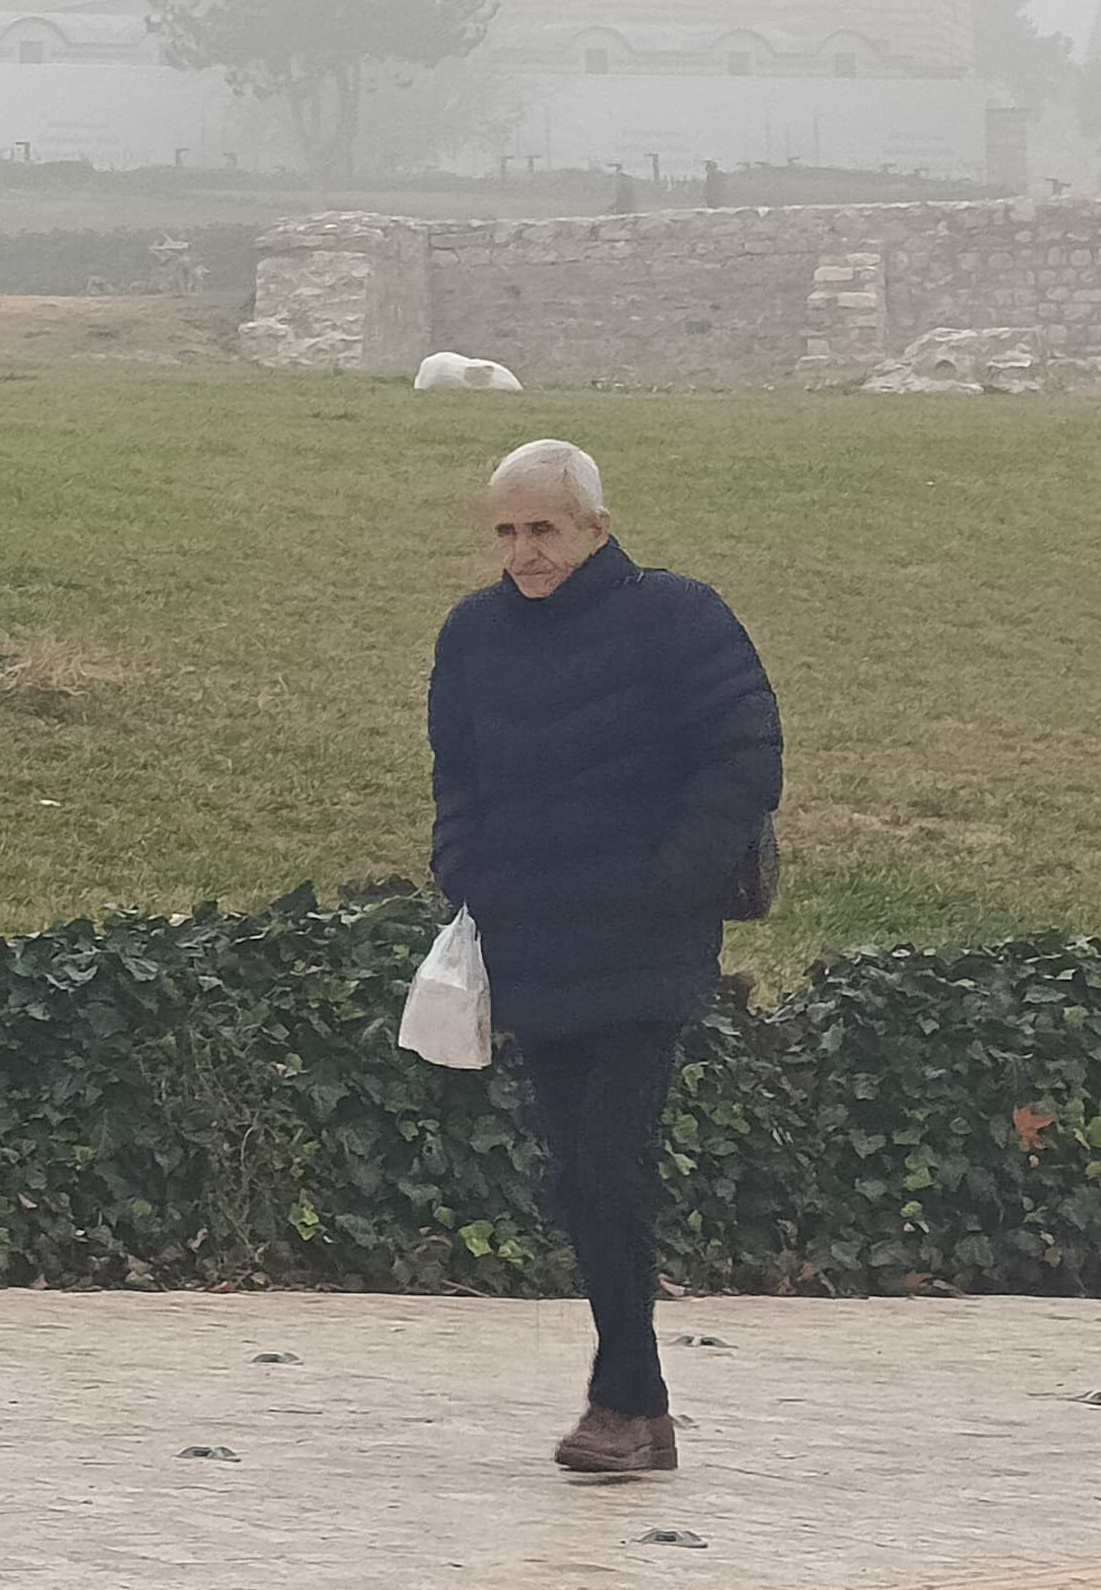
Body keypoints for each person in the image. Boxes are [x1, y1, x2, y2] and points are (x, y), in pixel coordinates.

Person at [427, 437, 781, 1480]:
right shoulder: (473, 633)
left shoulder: (679, 618)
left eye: (543, 528)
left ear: (596, 527)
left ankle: (624, 1401)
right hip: (533, 941)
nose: (523, 552)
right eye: (506, 531)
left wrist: (669, 882)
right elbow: (456, 771)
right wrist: (464, 872)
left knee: (607, 1165)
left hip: (643, 944)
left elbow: (744, 756)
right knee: (578, 1177)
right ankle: (636, 1405)